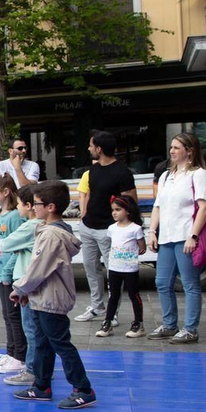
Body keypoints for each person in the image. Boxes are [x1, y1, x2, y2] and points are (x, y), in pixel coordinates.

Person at [11, 181, 97, 409]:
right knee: (42, 343)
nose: (33, 208)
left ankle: (83, 388)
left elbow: (38, 268)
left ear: (50, 207)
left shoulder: (51, 235)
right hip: (43, 298)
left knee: (60, 344)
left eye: (37, 204)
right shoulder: (49, 231)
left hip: (51, 299)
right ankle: (41, 385)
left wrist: (20, 288)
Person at [147, 131, 206, 344]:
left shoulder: (198, 174)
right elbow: (158, 205)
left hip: (185, 236)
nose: (172, 151)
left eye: (177, 147)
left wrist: (193, 235)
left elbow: (204, 206)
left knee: (190, 283)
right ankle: (169, 324)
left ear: (190, 151)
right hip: (167, 236)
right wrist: (152, 231)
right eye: (172, 147)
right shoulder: (166, 175)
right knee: (162, 282)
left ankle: (191, 329)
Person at [72, 131, 138, 323]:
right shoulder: (93, 170)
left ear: (99, 149)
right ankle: (97, 306)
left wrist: (125, 226)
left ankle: (113, 313)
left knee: (113, 273)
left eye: (91, 145)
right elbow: (90, 194)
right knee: (91, 268)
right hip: (88, 226)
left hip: (109, 230)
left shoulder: (122, 172)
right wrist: (83, 214)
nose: (89, 148)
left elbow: (131, 201)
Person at [1, 185, 45, 387]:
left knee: (31, 329)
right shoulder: (41, 225)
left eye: (19, 204)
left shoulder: (31, 226)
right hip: (35, 281)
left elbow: (6, 244)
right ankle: (42, 368)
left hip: (27, 282)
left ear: (29, 206)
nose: (17, 208)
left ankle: (32, 370)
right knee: (38, 329)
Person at [0, 174, 28, 373]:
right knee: (6, 315)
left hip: (11, 275)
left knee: (14, 316)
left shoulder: (14, 217)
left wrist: (6, 272)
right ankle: (11, 352)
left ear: (5, 192)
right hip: (1, 271)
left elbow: (16, 248)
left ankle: (20, 355)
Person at [96, 195, 146, 338]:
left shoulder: (135, 229)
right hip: (114, 268)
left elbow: (142, 247)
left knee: (133, 295)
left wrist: (132, 254)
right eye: (113, 210)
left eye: (118, 209)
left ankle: (138, 323)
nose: (114, 213)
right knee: (113, 296)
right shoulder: (112, 228)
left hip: (130, 269)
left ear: (128, 211)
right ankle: (108, 322)